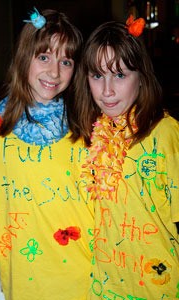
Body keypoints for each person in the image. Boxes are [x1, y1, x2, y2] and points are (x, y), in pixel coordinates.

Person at [0, 8, 94, 300]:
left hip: (87, 283)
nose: (54, 73)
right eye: (43, 57)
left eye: (65, 61)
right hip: (23, 285)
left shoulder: (87, 128)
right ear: (24, 58)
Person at [70, 15, 179, 299]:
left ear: (141, 76)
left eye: (119, 75)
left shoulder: (166, 133)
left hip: (160, 287)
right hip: (104, 287)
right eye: (97, 76)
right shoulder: (90, 136)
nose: (107, 91)